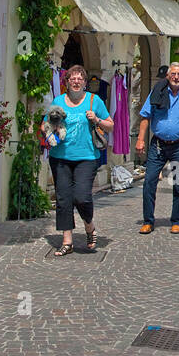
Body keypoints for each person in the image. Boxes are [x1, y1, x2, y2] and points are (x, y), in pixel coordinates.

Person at [43, 65, 112, 256]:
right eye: (72, 78)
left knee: (81, 196)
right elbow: (45, 123)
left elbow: (110, 126)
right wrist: (49, 131)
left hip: (87, 157)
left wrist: (97, 119)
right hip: (60, 158)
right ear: (66, 82)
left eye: (79, 78)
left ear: (84, 82)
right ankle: (67, 241)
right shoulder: (58, 101)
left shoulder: (93, 100)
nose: (76, 81)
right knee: (64, 199)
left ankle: (89, 227)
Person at [136, 61, 179, 235]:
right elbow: (145, 116)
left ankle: (177, 220)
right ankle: (148, 221)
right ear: (168, 75)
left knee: (178, 184)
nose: (176, 77)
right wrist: (141, 139)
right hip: (158, 145)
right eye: (174, 74)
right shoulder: (157, 92)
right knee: (149, 181)